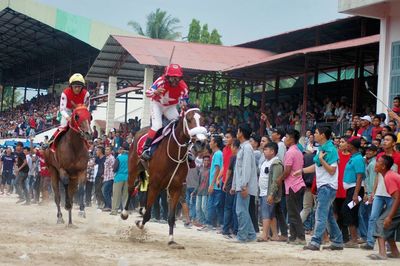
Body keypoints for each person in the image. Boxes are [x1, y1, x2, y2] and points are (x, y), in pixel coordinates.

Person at [299, 127, 344, 251]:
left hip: (327, 186)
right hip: (324, 186)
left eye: (316, 133)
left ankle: (315, 241)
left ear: (323, 135)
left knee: (320, 214)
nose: (314, 134)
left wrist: (321, 160)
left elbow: (332, 170)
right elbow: (317, 167)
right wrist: (302, 171)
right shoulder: (322, 148)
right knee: (327, 215)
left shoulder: (331, 150)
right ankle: (338, 241)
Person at [141, 64, 189, 160]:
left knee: (180, 124)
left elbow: (184, 104)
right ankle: (145, 149)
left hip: (170, 107)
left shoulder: (183, 87)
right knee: (157, 125)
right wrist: (155, 92)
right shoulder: (160, 81)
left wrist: (182, 108)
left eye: (177, 78)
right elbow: (147, 93)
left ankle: (188, 150)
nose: (175, 81)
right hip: (157, 105)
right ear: (167, 77)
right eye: (173, 78)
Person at [45, 73, 90, 147]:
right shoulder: (65, 93)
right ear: (71, 86)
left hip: (80, 112)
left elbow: (87, 108)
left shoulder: (86, 94)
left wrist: (84, 117)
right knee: (64, 125)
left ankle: (88, 142)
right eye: (75, 87)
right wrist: (68, 118)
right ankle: (50, 142)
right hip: (67, 110)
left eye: (79, 87)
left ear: (82, 87)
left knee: (86, 125)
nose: (77, 89)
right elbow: (62, 109)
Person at [369, 155, 400, 260]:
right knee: (387, 225)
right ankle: (395, 252)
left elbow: (397, 198)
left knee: (381, 222)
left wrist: (389, 216)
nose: (375, 163)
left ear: (383, 166)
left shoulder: (388, 177)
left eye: (378, 161)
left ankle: (382, 253)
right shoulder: (389, 175)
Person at [231, 123, 258, 243]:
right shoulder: (243, 147)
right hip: (240, 185)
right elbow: (238, 169)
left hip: (244, 185)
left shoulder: (247, 148)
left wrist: (244, 186)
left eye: (238, 131)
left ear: (241, 133)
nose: (237, 133)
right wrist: (234, 185)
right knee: (243, 210)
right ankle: (251, 235)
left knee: (241, 211)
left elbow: (247, 168)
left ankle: (242, 236)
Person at [279, 129, 305, 244]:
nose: (285, 139)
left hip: (292, 185)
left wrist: (279, 179)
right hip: (298, 184)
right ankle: (294, 236)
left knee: (293, 213)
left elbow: (287, 171)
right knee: (294, 212)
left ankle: (301, 237)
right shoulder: (298, 151)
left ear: (291, 139)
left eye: (286, 136)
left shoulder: (290, 152)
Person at [342, 136, 366, 248]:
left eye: (348, 144)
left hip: (355, 190)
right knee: (351, 212)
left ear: (352, 146)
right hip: (352, 189)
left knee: (348, 211)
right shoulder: (354, 157)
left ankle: (354, 239)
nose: (347, 145)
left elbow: (359, 177)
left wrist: (356, 194)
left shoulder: (358, 159)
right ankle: (354, 238)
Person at [257, 142, 283, 242]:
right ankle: (275, 235)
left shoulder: (276, 163)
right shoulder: (265, 162)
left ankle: (264, 235)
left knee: (266, 213)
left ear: (272, 151)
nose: (264, 151)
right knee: (271, 215)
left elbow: (276, 180)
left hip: (268, 193)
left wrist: (272, 194)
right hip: (263, 191)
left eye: (266, 150)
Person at [110, 143, 129, 215]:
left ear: (122, 149)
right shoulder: (130, 158)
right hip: (128, 177)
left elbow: (115, 169)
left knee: (116, 195)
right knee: (125, 195)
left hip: (119, 177)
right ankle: (124, 211)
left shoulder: (119, 158)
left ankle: (114, 210)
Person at [102, 146, 115, 212]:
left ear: (111, 151)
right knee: (107, 192)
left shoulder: (111, 158)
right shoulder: (107, 158)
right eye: (105, 149)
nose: (106, 151)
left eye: (108, 149)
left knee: (105, 191)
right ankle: (107, 205)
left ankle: (109, 206)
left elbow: (113, 168)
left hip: (110, 177)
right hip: (106, 177)